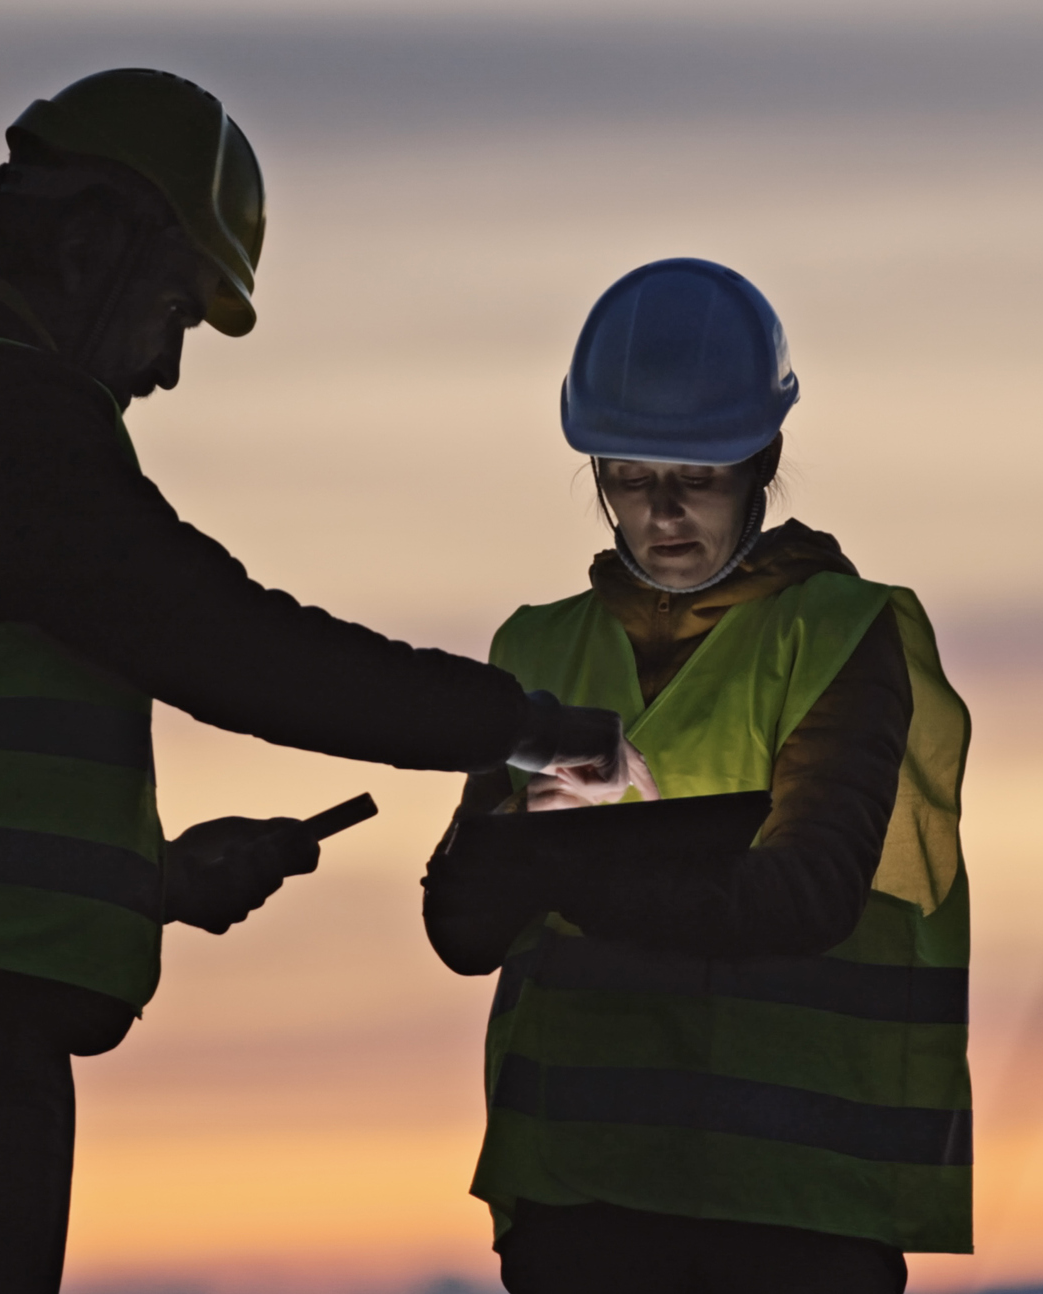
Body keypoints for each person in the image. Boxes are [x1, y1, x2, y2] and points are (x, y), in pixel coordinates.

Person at [0, 69, 638, 1294]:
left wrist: (142, 882)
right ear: (95, 240)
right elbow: (227, 641)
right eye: (173, 306)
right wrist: (517, 727)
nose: (163, 367)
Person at [422, 258, 973, 1294]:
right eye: (630, 479)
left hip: (789, 1216)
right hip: (581, 1211)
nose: (664, 514)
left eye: (699, 478)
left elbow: (808, 891)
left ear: (764, 458)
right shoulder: (536, 651)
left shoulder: (838, 635)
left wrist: (557, 869)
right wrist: (496, 853)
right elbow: (465, 929)